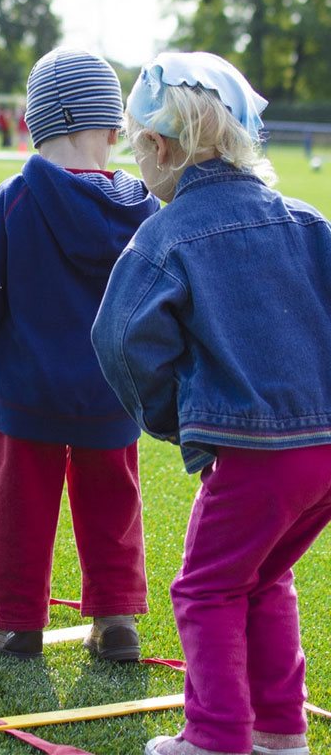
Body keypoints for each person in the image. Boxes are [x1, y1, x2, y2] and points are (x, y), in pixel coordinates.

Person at [91, 52, 331, 755]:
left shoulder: (165, 235)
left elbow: (119, 338)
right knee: (263, 578)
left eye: (141, 149)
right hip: (325, 452)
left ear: (159, 148)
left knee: (207, 590)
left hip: (254, 455)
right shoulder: (309, 222)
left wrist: (172, 418)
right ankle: (280, 733)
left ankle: (217, 739)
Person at [0, 48, 159, 660]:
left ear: (31, 125)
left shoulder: (13, 199)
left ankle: (13, 619)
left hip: (28, 393)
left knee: (18, 506)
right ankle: (116, 620)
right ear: (113, 128)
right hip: (114, 393)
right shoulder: (145, 207)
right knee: (113, 504)